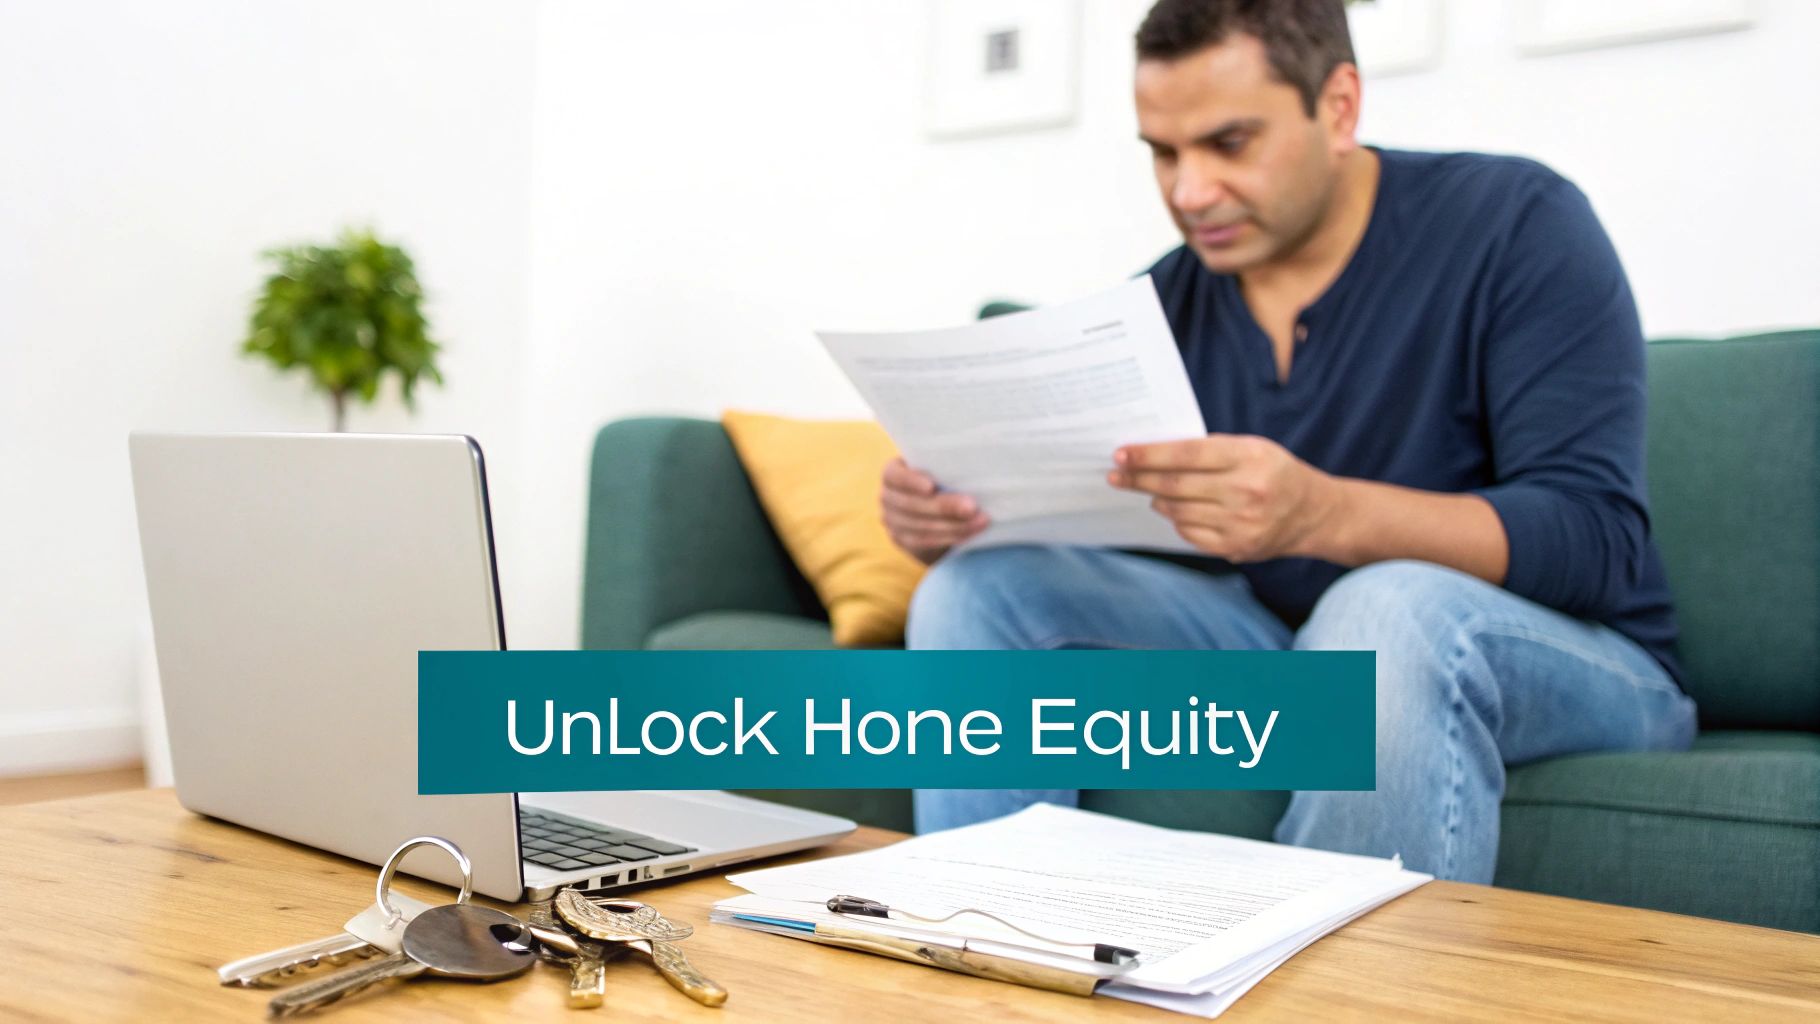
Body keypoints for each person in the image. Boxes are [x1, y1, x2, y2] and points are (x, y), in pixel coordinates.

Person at [880, 0, 1696, 884]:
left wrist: (1324, 513)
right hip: (1291, 644)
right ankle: (977, 952)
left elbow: (1596, 542)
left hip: (1578, 659)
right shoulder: (1166, 306)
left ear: (1339, 106)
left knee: (1383, 614)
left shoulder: (1517, 224)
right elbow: (1121, 534)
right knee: (977, 592)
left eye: (1229, 143)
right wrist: (958, 511)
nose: (1189, 192)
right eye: (1164, 151)